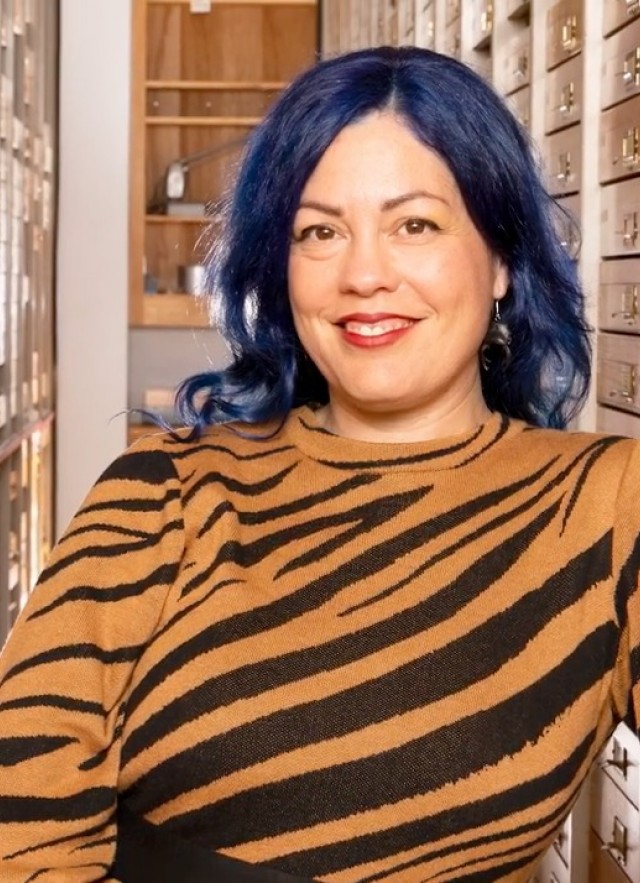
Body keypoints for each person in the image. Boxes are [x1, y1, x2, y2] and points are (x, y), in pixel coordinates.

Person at [0, 44, 636, 883]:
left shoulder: (603, 502)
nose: (364, 274)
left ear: (502, 261)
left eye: (415, 224)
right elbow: (21, 811)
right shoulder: (163, 488)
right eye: (320, 231)